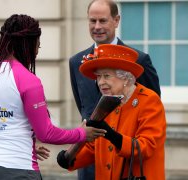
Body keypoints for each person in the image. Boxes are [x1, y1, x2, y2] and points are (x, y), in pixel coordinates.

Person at [0, 14, 106, 180]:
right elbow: (46, 133)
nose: (37, 53)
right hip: (16, 168)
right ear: (27, 44)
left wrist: (26, 143)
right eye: (37, 46)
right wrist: (82, 133)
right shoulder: (27, 79)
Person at [69, 0, 161, 179]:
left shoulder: (139, 60)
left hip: (126, 160)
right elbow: (84, 108)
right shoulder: (76, 62)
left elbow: (152, 106)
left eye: (102, 21)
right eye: (92, 21)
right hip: (89, 161)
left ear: (116, 20)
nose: (97, 27)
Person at [57, 44, 166, 179]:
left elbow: (147, 147)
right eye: (98, 76)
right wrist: (70, 157)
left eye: (106, 76)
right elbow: (94, 148)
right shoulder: (106, 103)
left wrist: (112, 136)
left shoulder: (149, 100)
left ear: (125, 77)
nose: (100, 82)